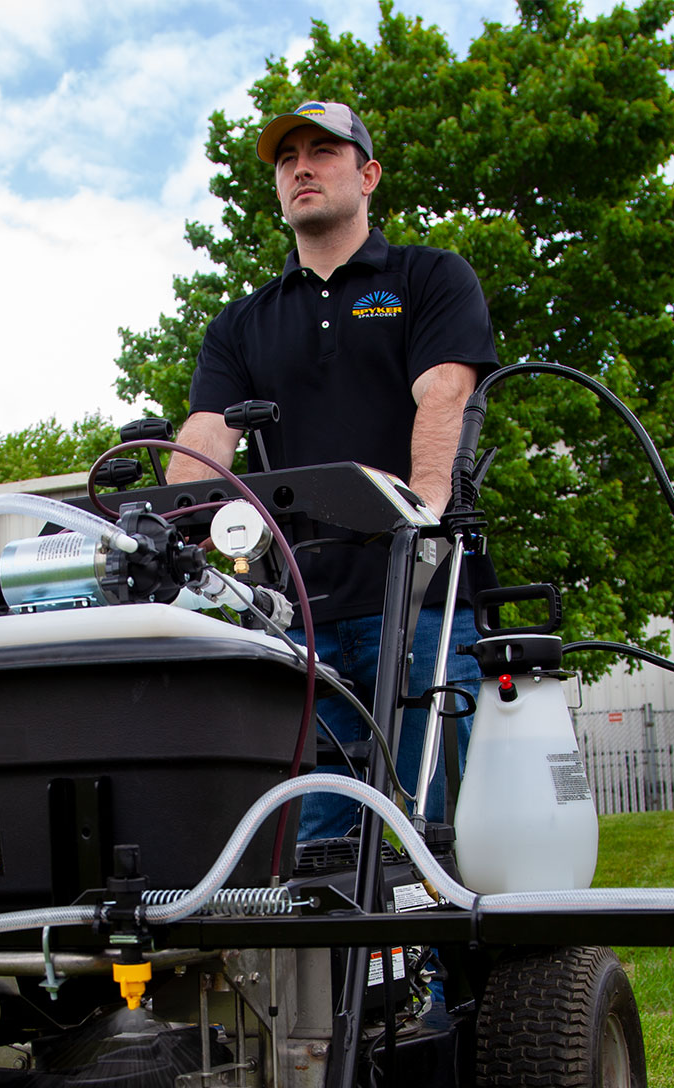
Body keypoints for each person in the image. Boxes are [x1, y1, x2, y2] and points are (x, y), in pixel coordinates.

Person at [167, 100, 499, 840]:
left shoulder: (430, 279)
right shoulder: (242, 324)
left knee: (428, 835)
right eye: (287, 160)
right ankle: (338, 959)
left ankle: (439, 962)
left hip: (416, 605)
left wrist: (426, 508)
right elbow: (206, 434)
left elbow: (444, 392)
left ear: (367, 173)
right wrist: (168, 521)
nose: (302, 168)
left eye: (323, 151)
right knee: (315, 845)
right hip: (300, 619)